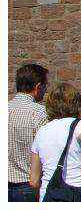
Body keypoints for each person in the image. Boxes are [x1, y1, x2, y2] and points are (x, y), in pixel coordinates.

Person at [29, 82, 81, 201]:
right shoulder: (79, 124)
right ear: (76, 104)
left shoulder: (41, 132)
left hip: (49, 195)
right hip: (77, 193)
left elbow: (34, 180)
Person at [8, 64, 49, 202]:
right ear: (38, 87)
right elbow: (46, 152)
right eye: (45, 86)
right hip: (28, 185)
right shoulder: (40, 113)